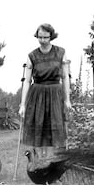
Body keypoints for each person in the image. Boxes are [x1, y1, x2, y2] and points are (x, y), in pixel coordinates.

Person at [19, 23, 71, 159]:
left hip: (55, 93)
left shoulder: (61, 53)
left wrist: (67, 100)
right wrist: (23, 104)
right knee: (38, 126)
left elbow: (65, 78)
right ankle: (39, 161)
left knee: (54, 126)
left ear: (51, 37)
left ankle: (51, 160)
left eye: (45, 37)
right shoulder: (32, 56)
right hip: (37, 94)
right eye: (40, 37)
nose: (42, 40)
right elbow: (26, 81)